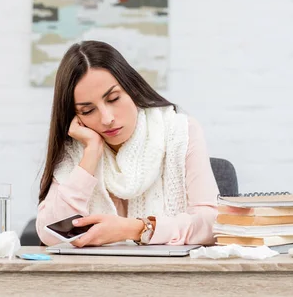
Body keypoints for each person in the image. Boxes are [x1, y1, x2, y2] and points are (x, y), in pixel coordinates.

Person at [36, 40, 219, 247]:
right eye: (87, 111)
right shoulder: (76, 150)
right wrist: (91, 154)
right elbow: (50, 233)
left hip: (171, 276)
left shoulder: (180, 132)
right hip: (92, 276)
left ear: (131, 89)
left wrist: (135, 229)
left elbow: (213, 223)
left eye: (113, 99)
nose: (106, 118)